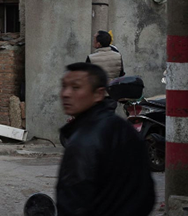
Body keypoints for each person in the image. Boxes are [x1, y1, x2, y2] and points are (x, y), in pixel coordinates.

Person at [56, 62, 155, 216]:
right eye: (64, 86)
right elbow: (147, 195)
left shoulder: (82, 142)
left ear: (98, 94)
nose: (66, 94)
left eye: (76, 87)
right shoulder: (124, 128)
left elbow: (73, 202)